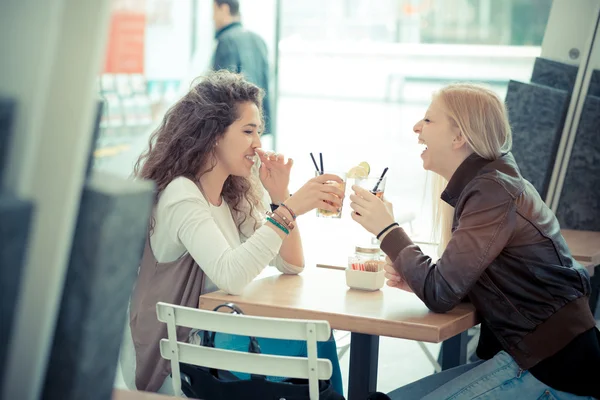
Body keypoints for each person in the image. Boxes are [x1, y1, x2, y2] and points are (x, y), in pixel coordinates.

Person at [349, 83, 600, 399]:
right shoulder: (491, 184)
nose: (416, 127)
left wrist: (387, 230)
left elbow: (441, 294)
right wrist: (417, 279)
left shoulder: (491, 192)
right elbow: (455, 287)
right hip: (531, 355)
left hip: (552, 368)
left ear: (459, 137)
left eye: (428, 121)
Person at [128, 70, 344, 395]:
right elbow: (231, 274)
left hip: (218, 341)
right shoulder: (182, 195)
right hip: (186, 358)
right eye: (248, 131)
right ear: (214, 134)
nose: (258, 145)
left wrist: (279, 199)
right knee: (313, 341)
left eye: (259, 133)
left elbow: (292, 263)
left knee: (316, 338)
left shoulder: (230, 195)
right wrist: (290, 210)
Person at [212, 0, 272, 136]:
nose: (213, 18)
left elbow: (220, 91)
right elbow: (266, 86)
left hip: (235, 126)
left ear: (225, 9)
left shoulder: (226, 40)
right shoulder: (258, 40)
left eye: (214, 11)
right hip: (257, 122)